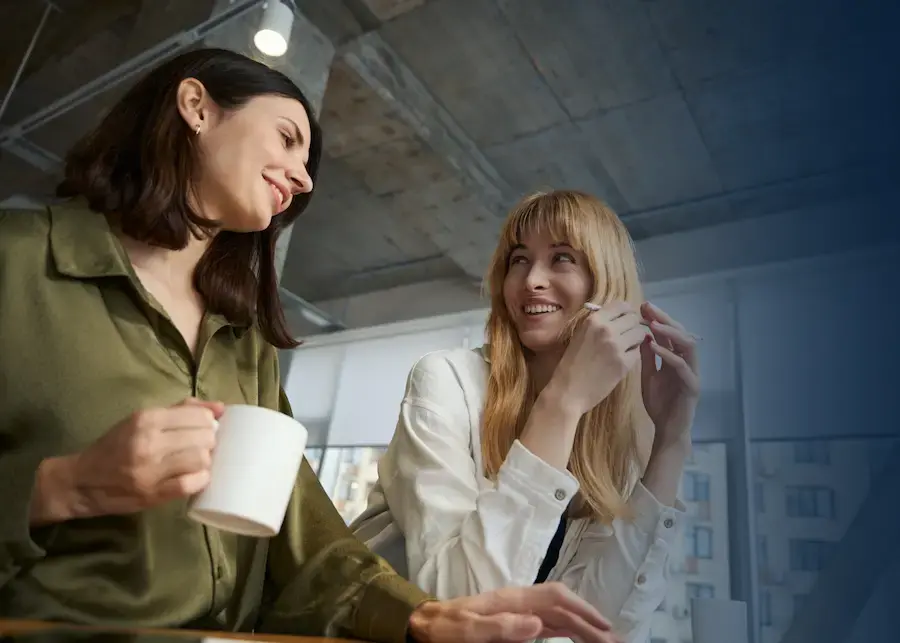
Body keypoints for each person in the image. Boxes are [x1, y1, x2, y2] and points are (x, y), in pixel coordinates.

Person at [0, 49, 621, 643]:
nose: (301, 179)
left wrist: (421, 617)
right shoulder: (16, 260)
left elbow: (306, 541)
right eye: (288, 139)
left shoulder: (245, 344)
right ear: (197, 106)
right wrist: (61, 487)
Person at [351, 190, 701, 642]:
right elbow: (459, 603)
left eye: (561, 259)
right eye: (519, 260)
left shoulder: (613, 433)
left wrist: (671, 441)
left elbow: (603, 626)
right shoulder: (448, 380)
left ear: (606, 285)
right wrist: (562, 402)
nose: (532, 279)